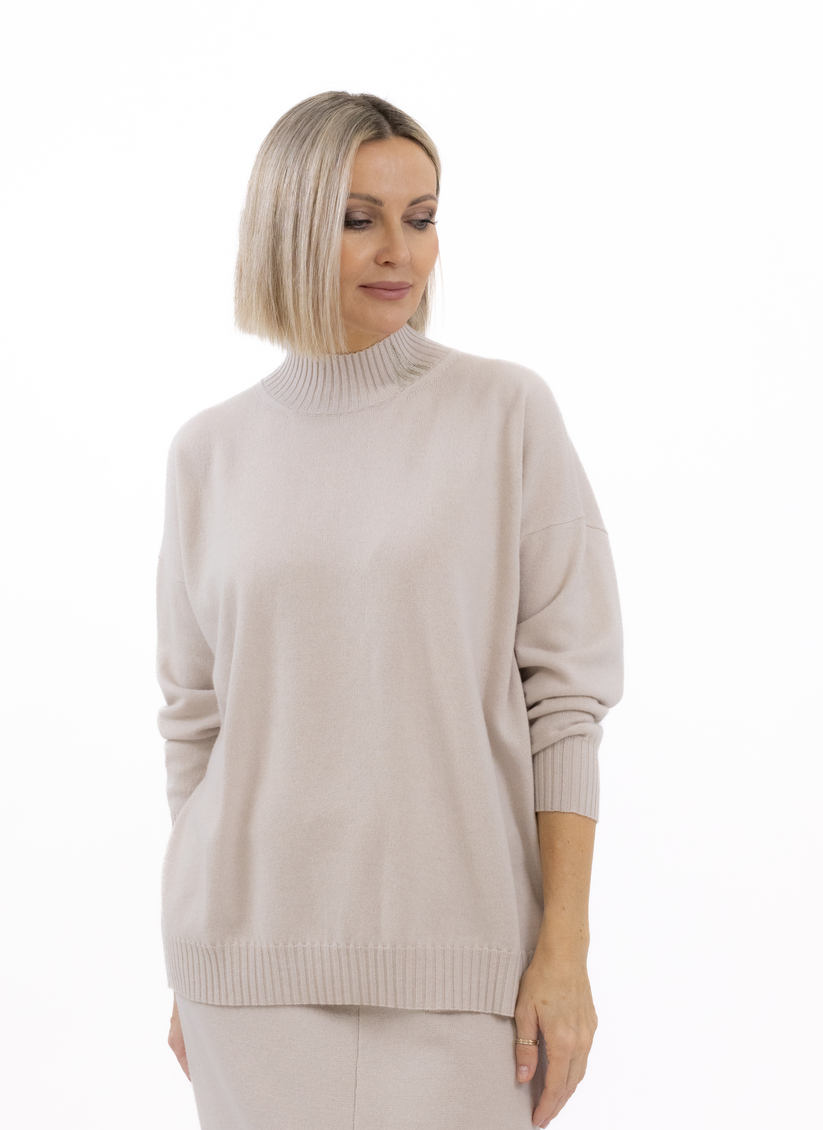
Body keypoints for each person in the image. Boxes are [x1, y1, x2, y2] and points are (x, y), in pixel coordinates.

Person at [156, 90, 624, 1130]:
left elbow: (566, 701)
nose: (398, 252)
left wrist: (564, 949)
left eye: (421, 217)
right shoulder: (208, 453)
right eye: (357, 217)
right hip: (244, 982)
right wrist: (205, 956)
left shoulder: (504, 413)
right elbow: (194, 721)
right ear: (286, 226)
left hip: (464, 973)